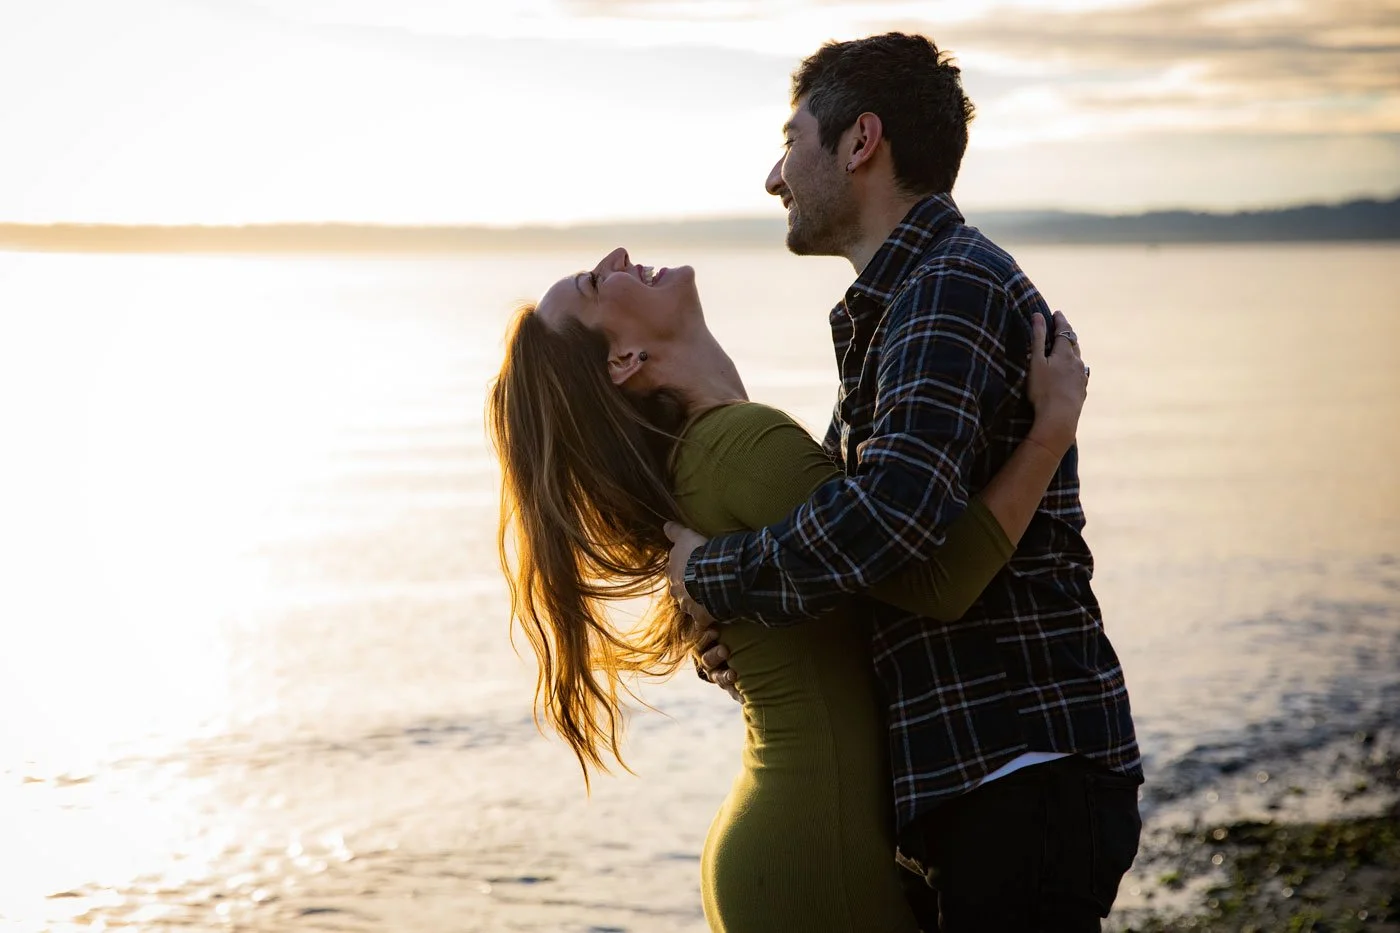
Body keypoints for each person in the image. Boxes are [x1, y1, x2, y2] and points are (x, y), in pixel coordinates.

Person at [666, 32, 1143, 932]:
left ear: (860, 142)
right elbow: (864, 549)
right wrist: (742, 632)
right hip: (985, 778)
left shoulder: (946, 287)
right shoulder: (905, 304)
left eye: (791, 139)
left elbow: (889, 518)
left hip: (1021, 764)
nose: (775, 177)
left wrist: (712, 573)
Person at [488, 245, 1091, 931]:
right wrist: (1051, 428)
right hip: (813, 850)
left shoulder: (710, 456)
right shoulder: (742, 443)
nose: (618, 256)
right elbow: (936, 578)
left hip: (785, 845)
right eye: (598, 282)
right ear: (623, 362)